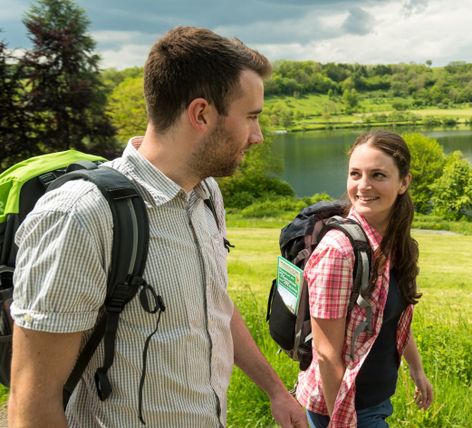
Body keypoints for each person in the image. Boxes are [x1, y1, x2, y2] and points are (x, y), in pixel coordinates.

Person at [8, 26, 305, 427]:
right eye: (251, 117)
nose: (258, 136)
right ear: (201, 113)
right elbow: (32, 406)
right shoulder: (80, 217)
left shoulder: (206, 194)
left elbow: (214, 305)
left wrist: (276, 390)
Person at [296, 131, 433, 427]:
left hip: (375, 402)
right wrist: (343, 423)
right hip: (341, 410)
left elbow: (394, 318)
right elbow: (326, 354)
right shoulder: (339, 252)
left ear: (403, 183)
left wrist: (417, 370)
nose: (363, 186)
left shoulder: (394, 244)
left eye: (378, 175)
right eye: (355, 174)